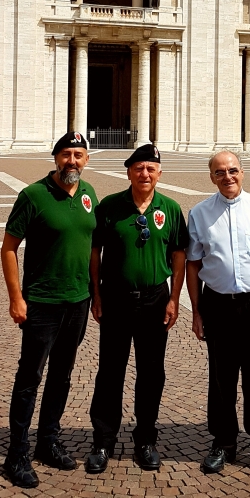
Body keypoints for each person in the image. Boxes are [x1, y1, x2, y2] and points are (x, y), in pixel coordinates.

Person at [0, 131, 98, 488]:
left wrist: (95, 294)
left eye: (79, 155)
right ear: (56, 158)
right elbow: (9, 248)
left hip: (78, 300)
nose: (73, 161)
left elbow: (91, 248)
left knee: (62, 374)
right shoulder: (33, 195)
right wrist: (16, 297)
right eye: (67, 155)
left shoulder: (88, 195)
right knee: (30, 377)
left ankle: (48, 441)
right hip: (42, 301)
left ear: (86, 160)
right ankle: (17, 452)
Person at [86, 144, 188, 474]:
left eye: (151, 169)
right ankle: (103, 439)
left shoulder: (170, 208)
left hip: (155, 299)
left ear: (159, 173)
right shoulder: (111, 206)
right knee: (110, 371)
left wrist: (174, 297)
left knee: (151, 373)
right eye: (139, 168)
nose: (145, 174)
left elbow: (179, 255)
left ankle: (145, 438)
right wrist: (96, 294)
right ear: (128, 171)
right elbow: (95, 251)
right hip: (115, 298)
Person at [187, 151, 250, 479]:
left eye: (232, 170)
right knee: (221, 377)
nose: (227, 177)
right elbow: (193, 264)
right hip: (218, 303)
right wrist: (197, 311)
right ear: (211, 177)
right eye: (220, 172)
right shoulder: (200, 214)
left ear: (242, 173)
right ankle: (224, 442)